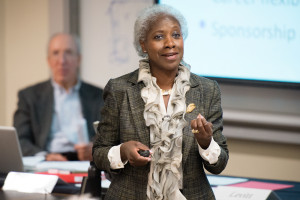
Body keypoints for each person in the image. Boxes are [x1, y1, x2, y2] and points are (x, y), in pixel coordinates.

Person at [93, 4, 229, 200]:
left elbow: (220, 164)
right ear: (143, 45)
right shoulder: (120, 89)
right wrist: (123, 151)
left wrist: (206, 143)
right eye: (158, 37)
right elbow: (99, 154)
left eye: (176, 35)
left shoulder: (207, 90)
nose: (170, 43)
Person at [14, 33, 104, 161]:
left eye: (68, 52)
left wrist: (96, 149)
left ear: (78, 59)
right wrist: (45, 156)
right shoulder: (29, 96)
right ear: (48, 60)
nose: (62, 61)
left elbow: (110, 136)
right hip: (47, 161)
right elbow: (20, 140)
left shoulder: (99, 95)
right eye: (56, 53)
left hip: (85, 161)